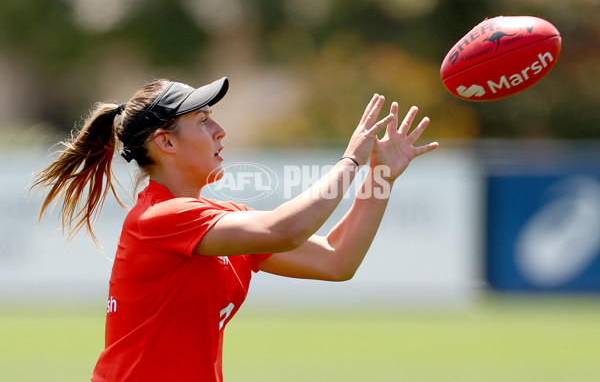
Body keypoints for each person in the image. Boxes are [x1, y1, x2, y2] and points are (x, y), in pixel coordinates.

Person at [32, 76, 439, 381]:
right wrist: (350, 161)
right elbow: (288, 229)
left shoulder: (221, 219)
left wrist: (379, 175)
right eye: (203, 120)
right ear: (166, 143)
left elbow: (337, 260)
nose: (220, 131)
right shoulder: (158, 218)